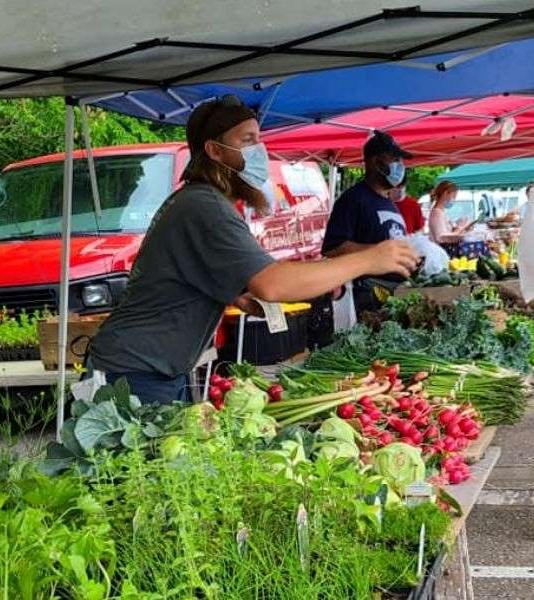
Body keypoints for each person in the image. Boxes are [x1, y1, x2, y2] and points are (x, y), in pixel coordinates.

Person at [88, 97, 419, 404]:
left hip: (152, 366)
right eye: (246, 140)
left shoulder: (200, 201)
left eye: (258, 139)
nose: (258, 150)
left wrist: (234, 295)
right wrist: (368, 259)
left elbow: (186, 272)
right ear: (214, 151)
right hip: (135, 370)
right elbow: (272, 283)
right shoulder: (204, 205)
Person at [321, 130, 413, 312]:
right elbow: (333, 248)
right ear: (374, 162)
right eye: (394, 160)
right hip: (366, 296)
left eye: (401, 161)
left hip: (395, 296)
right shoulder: (354, 199)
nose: (400, 166)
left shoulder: (389, 203)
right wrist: (379, 252)